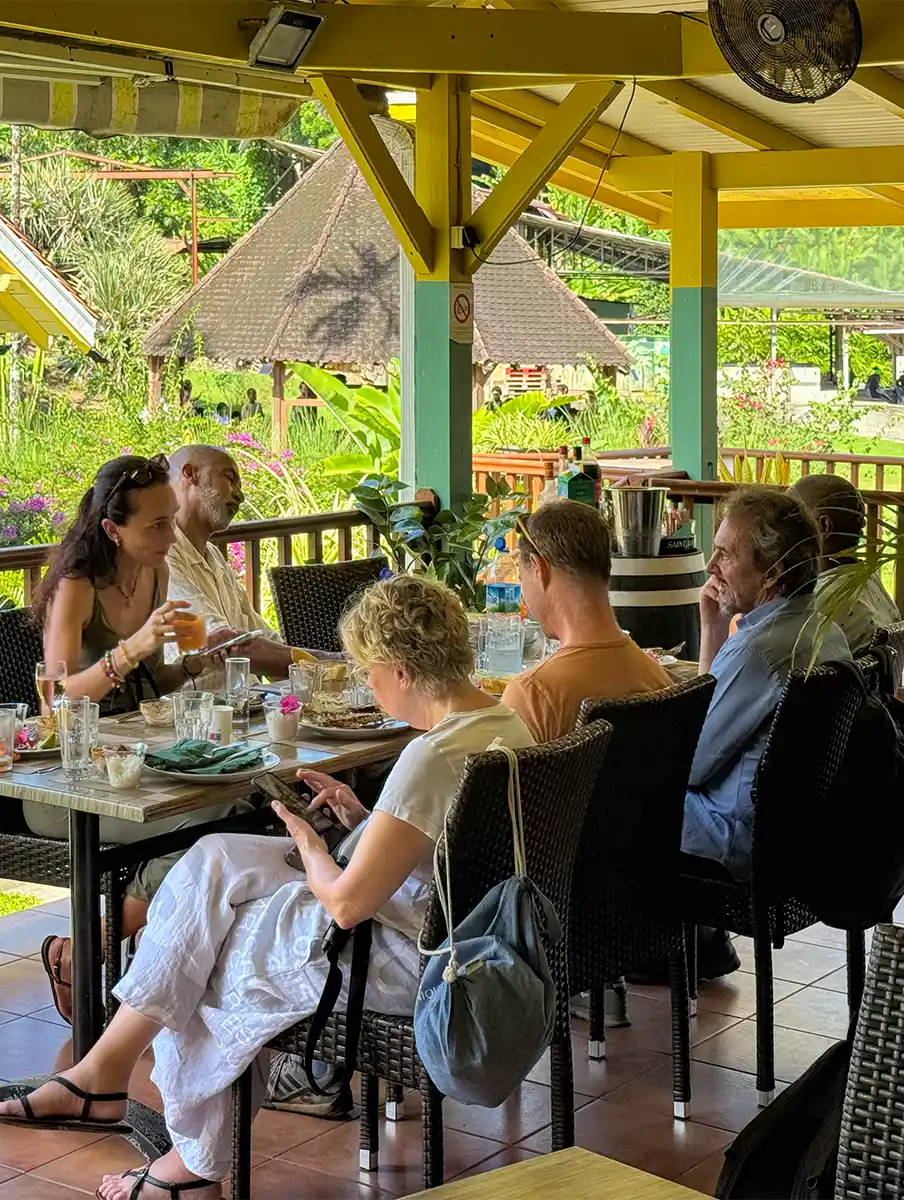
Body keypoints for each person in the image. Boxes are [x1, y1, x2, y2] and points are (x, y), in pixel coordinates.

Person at [0, 576, 534, 1199]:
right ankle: (103, 1070)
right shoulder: (501, 725)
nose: (371, 688)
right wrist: (366, 822)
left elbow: (345, 903)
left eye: (371, 673)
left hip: (406, 958)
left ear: (402, 669)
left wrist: (312, 844)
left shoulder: (430, 756)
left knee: (212, 952)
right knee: (215, 858)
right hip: (444, 926)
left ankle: (190, 1169)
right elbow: (442, 845)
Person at [30, 454, 239, 1022]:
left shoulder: (157, 573)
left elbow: (150, 684)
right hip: (66, 781)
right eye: (156, 526)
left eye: (171, 519)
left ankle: (131, 953)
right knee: (206, 821)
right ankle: (92, 946)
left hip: (133, 761)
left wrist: (195, 664)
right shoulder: (77, 588)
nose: (170, 535)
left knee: (241, 804)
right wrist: (131, 649)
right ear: (111, 529)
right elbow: (56, 700)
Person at [683, 487, 852, 880]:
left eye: (725, 554)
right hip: (801, 838)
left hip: (737, 842)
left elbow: (689, 766)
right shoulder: (825, 631)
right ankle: (703, 942)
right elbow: (707, 714)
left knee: (609, 801)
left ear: (773, 573)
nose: (710, 566)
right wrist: (712, 627)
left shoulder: (757, 652)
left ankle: (650, 940)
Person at [503, 500, 670, 743]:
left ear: (540, 569)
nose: (523, 592)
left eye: (522, 577)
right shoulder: (656, 678)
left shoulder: (533, 696)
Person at [165, 445, 319, 688]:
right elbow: (224, 645)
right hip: (197, 717)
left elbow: (258, 635)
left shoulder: (213, 556)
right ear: (190, 474)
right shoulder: (163, 555)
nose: (240, 495)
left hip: (246, 709)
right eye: (229, 478)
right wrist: (331, 663)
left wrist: (323, 674)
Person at [790, 473, 899, 653]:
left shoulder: (819, 602)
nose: (782, 527)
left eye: (793, 517)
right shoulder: (868, 580)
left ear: (823, 526)